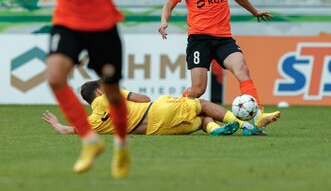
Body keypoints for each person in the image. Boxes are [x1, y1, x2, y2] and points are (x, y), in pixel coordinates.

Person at [11, 0, 129, 178]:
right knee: (54, 76)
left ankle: (121, 145)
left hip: (100, 22)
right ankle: (90, 141)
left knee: (111, 92)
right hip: (68, 21)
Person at [158, 0, 280, 130]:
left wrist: (254, 11)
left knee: (242, 69)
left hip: (223, 38)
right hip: (199, 39)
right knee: (198, 90)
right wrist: (164, 21)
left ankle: (259, 115)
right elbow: (169, 4)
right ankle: (176, 110)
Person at [42, 80, 268, 136]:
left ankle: (214, 130)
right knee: (204, 104)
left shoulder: (93, 123)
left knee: (200, 118)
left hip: (157, 130)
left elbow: (69, 130)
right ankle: (244, 124)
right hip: (157, 109)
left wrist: (58, 125)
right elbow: (143, 98)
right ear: (99, 91)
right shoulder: (109, 94)